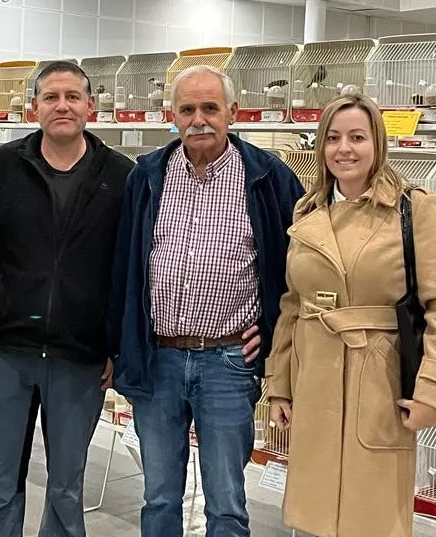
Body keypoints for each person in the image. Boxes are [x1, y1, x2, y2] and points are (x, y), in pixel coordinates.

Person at [108, 64, 305, 537]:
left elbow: (299, 265)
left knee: (227, 503)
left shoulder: (270, 177)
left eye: (210, 108)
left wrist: (276, 330)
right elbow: (124, 267)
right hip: (158, 360)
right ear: (171, 115)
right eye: (188, 109)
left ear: (232, 113)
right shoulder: (147, 176)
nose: (199, 119)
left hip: (230, 361)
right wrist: (120, 346)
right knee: (158, 497)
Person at [265, 92, 436, 537]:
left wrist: (434, 391)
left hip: (379, 382)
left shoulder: (412, 208)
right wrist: (279, 385)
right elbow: (292, 304)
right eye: (333, 138)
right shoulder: (308, 210)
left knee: (372, 515)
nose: (344, 149)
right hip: (314, 377)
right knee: (316, 513)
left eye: (357, 137)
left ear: (378, 142)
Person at [0, 60, 134, 537]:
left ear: (91, 107)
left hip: (80, 354)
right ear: (34, 107)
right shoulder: (0, 167)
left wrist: (118, 345)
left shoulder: (121, 176)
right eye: (52, 97)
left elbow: (130, 269)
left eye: (73, 97)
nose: (63, 106)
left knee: (66, 486)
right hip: (6, 348)